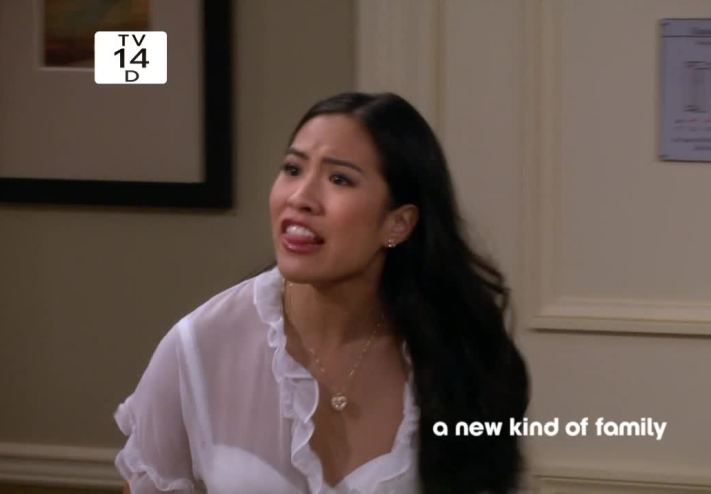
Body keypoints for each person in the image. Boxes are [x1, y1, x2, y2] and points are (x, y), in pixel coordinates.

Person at [114, 92, 530, 493]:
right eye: (293, 169)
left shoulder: (460, 352)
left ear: (398, 223)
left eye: (339, 179)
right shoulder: (197, 348)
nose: (300, 198)